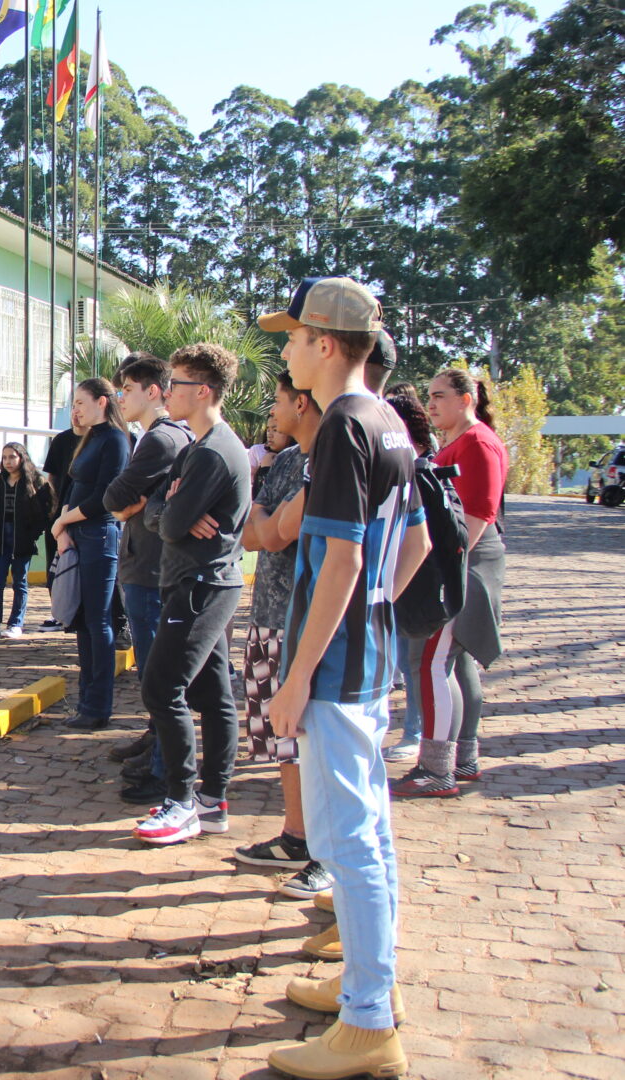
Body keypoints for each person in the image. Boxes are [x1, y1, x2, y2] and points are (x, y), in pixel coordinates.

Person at [259, 277, 429, 1080]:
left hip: (332, 668)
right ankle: (371, 986)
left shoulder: (342, 430)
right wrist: (374, 616)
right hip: (367, 658)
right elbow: (415, 546)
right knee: (370, 832)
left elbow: (342, 560)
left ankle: (367, 1019)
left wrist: (296, 678)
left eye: (293, 336)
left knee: (348, 839)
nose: (285, 348)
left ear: (326, 344)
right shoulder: (390, 421)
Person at [129, 344, 250, 846]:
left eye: (176, 384)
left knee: (162, 688)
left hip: (201, 585)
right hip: (192, 580)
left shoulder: (217, 451)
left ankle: (182, 801)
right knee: (210, 693)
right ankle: (212, 800)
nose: (167, 392)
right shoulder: (196, 447)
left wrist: (171, 511)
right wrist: (170, 510)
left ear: (202, 391)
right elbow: (158, 511)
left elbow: (170, 521)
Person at [394, 368, 509, 797]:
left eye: (441, 396)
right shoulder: (460, 442)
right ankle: (461, 759)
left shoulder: (478, 442)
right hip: (458, 562)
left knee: (432, 661)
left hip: (463, 564)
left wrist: (446, 575)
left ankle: (436, 768)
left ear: (467, 398)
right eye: (430, 397)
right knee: (453, 663)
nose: (432, 404)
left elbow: (477, 515)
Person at [233, 372, 325, 898]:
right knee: (280, 738)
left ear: (302, 402)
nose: (271, 410)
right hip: (269, 613)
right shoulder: (288, 462)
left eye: (278, 400)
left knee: (314, 738)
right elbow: (254, 534)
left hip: (308, 623)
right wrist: (265, 518)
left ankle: (326, 850)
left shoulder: (329, 463)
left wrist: (265, 518)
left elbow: (272, 531)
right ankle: (296, 834)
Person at [102, 353, 192, 783]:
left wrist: (129, 504)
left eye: (128, 390)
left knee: (158, 670)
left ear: (153, 391)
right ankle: (154, 737)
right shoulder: (155, 437)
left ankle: (162, 758)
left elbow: (113, 496)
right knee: (151, 668)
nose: (121, 397)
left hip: (153, 568)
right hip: (145, 563)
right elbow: (120, 501)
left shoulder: (161, 439)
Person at [51, 379, 132, 726]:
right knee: (83, 620)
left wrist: (63, 522)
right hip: (77, 532)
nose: (76, 409)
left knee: (99, 620)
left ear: (102, 402)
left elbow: (104, 497)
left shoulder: (114, 439)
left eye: (82, 402)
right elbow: (73, 486)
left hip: (99, 535)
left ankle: (99, 706)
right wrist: (63, 528)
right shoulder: (89, 438)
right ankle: (86, 701)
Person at [381, 387, 435, 762]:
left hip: (414, 583)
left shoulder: (417, 469)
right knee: (406, 661)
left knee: (420, 663)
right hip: (395, 582)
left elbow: (422, 540)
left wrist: (387, 597)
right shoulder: (404, 463)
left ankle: (417, 732)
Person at [0, 442, 52, 639]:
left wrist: (32, 535)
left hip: (22, 540)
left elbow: (44, 514)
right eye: (4, 458)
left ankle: (15, 623)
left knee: (20, 582)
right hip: (1, 538)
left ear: (22, 458)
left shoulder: (35, 484)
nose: (8, 462)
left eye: (12, 457)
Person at [38, 409, 85, 631]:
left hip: (86, 514)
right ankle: (58, 612)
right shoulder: (62, 440)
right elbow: (52, 479)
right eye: (73, 406)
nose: (76, 412)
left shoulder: (105, 439)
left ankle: (80, 614)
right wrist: (54, 512)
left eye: (81, 405)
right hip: (58, 516)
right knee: (56, 567)